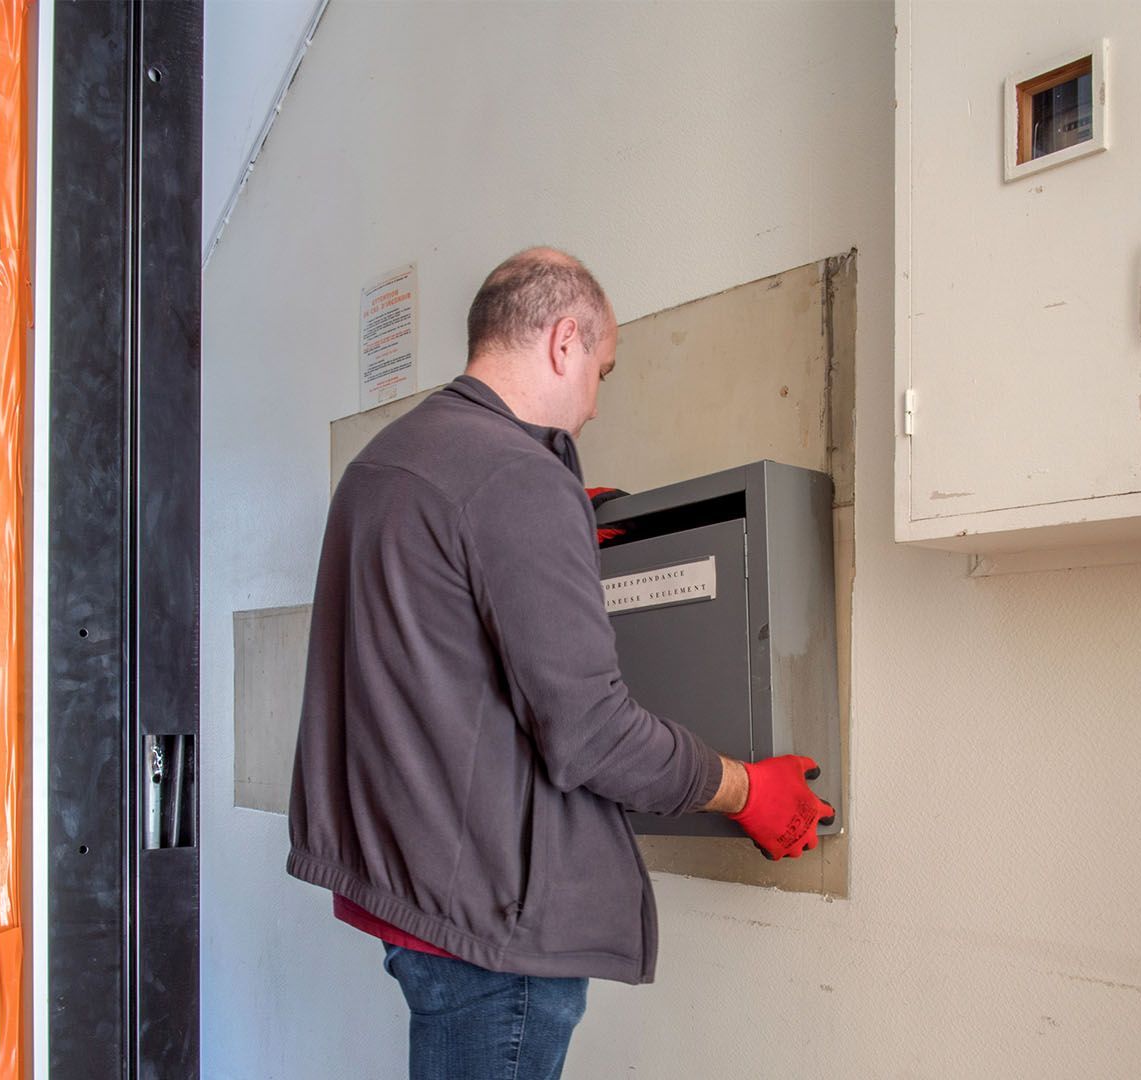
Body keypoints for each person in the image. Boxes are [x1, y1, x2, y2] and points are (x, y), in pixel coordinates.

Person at [286, 247, 836, 1079]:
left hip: (414, 898)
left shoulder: (383, 466)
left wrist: (549, 528)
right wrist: (748, 789)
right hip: (493, 935)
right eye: (603, 371)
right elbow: (593, 734)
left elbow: (432, 639)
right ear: (564, 341)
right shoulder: (514, 478)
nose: (595, 405)